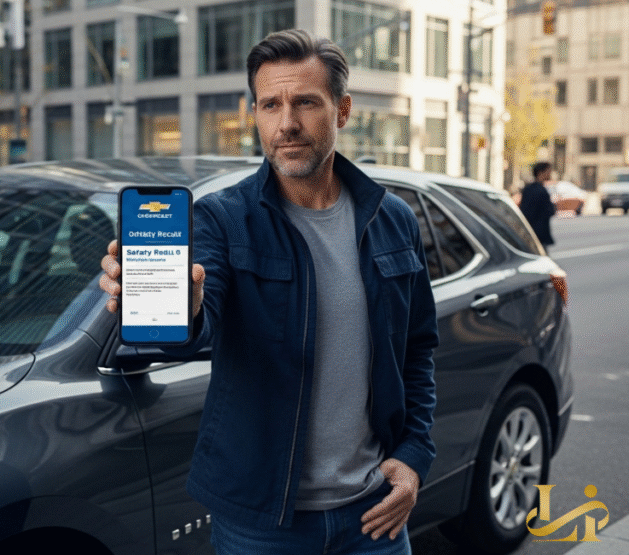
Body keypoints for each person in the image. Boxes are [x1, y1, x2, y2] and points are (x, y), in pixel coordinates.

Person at [99, 29, 438, 554]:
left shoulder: (392, 219)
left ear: (342, 110)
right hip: (262, 526)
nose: (287, 124)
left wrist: (413, 456)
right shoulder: (222, 219)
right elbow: (193, 328)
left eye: (306, 102)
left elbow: (417, 351)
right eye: (270, 105)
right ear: (253, 113)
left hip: (375, 516)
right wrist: (184, 307)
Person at [520, 161, 557, 253]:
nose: (550, 174)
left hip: (529, 231)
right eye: (548, 171)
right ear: (541, 173)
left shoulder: (528, 189)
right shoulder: (541, 190)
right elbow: (550, 210)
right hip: (539, 232)